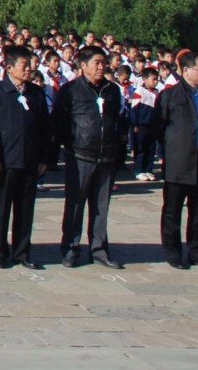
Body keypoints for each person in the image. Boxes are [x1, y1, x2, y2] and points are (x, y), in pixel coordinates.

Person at [51, 44, 127, 268]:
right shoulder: (70, 90)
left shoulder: (112, 90)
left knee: (101, 207)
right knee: (75, 205)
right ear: (83, 65)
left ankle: (99, 248)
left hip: (106, 157)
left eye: (103, 62)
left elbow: (117, 120)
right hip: (80, 156)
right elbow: (58, 122)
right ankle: (70, 248)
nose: (101, 67)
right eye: (96, 63)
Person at [0, 45, 50, 269]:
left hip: (30, 160)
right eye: (24, 65)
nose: (29, 69)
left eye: (30, 64)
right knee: (1, 208)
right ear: (9, 68)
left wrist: (44, 159)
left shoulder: (36, 93)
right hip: (5, 161)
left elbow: (44, 128)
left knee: (25, 208)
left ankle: (22, 251)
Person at [152, 52, 198, 269]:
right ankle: (173, 252)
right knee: (173, 210)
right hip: (179, 161)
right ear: (186, 70)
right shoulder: (170, 95)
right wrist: (172, 150)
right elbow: (159, 127)